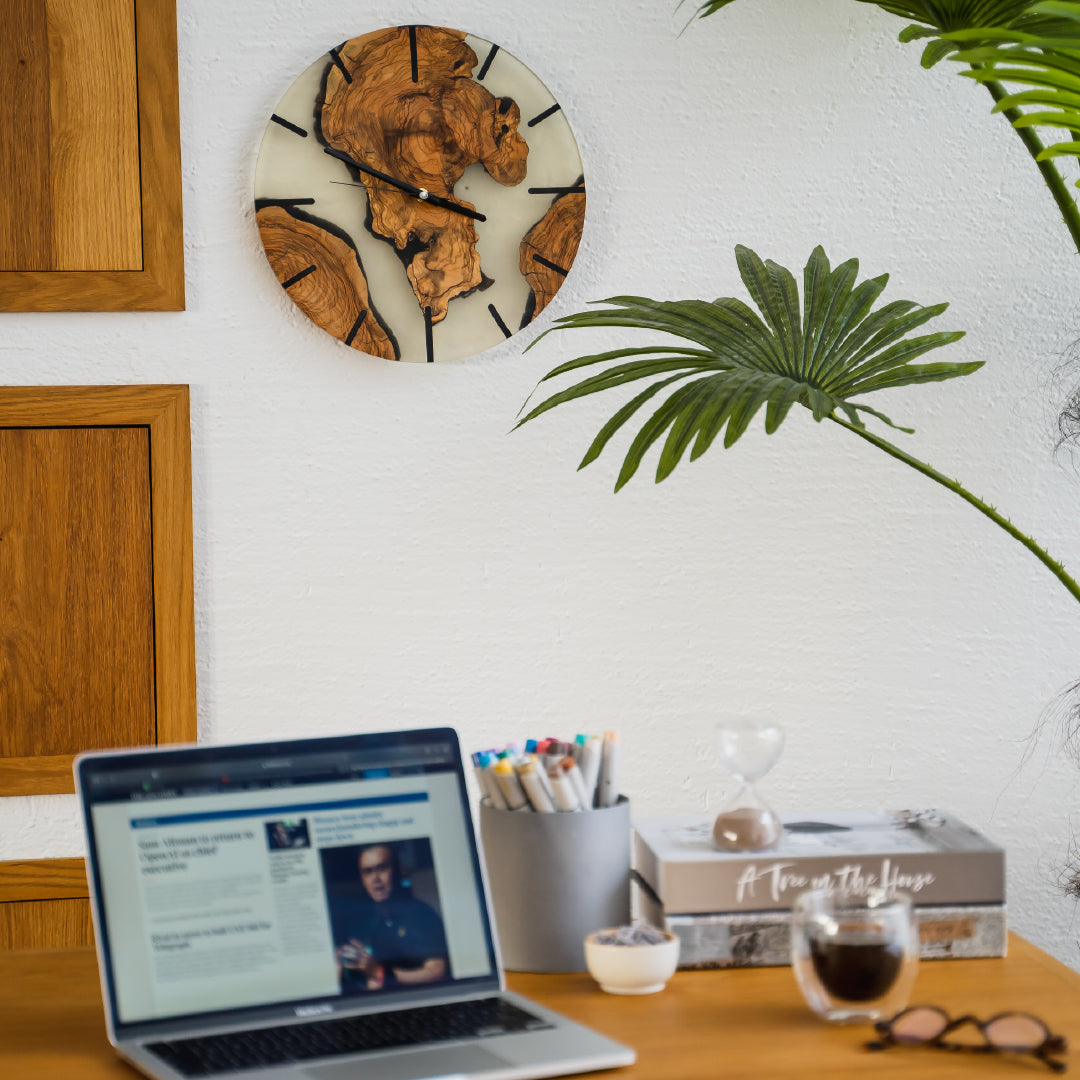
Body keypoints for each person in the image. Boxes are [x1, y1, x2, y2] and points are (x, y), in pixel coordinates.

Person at [331, 843, 448, 991]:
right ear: (362, 879)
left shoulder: (420, 914)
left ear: (398, 870)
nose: (375, 878)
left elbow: (437, 971)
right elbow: (375, 978)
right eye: (368, 872)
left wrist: (382, 973)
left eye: (382, 868)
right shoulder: (377, 921)